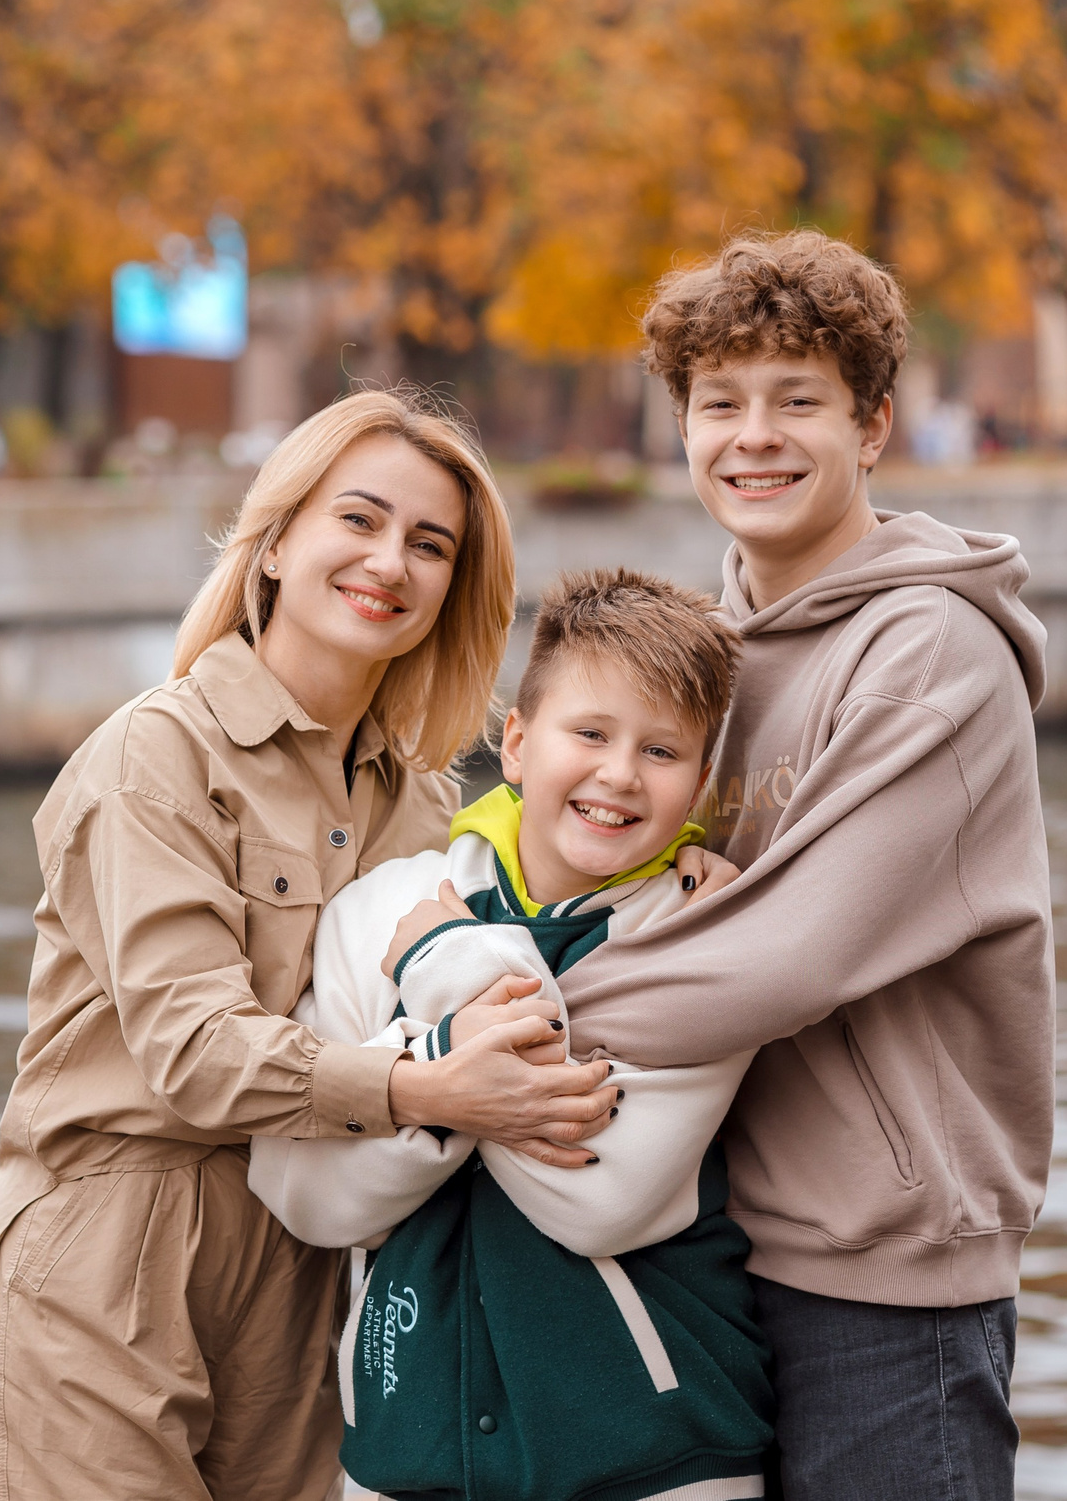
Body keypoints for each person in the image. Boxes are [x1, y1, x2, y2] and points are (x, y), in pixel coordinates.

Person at [0, 389, 622, 1501]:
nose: (389, 561)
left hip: (306, 1270)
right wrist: (427, 1089)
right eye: (358, 520)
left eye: (429, 543)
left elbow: (553, 914)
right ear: (275, 540)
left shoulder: (424, 809)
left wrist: (687, 867)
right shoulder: (156, 757)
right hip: (108, 1253)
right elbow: (193, 1050)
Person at [552, 230, 1055, 1501]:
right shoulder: (701, 660)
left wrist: (504, 1021)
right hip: (707, 1248)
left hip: (889, 1288)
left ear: (874, 425)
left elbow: (797, 951)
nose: (752, 437)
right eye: (718, 403)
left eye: (797, 402)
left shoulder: (933, 655)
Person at [250, 569, 773, 1501]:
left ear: (700, 779)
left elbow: (599, 1198)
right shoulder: (381, 911)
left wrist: (443, 995)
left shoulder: (703, 932)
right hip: (408, 1450)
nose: (619, 774)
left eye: (662, 750)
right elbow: (303, 1188)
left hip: (655, 1452)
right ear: (519, 742)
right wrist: (461, 1080)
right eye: (591, 733)